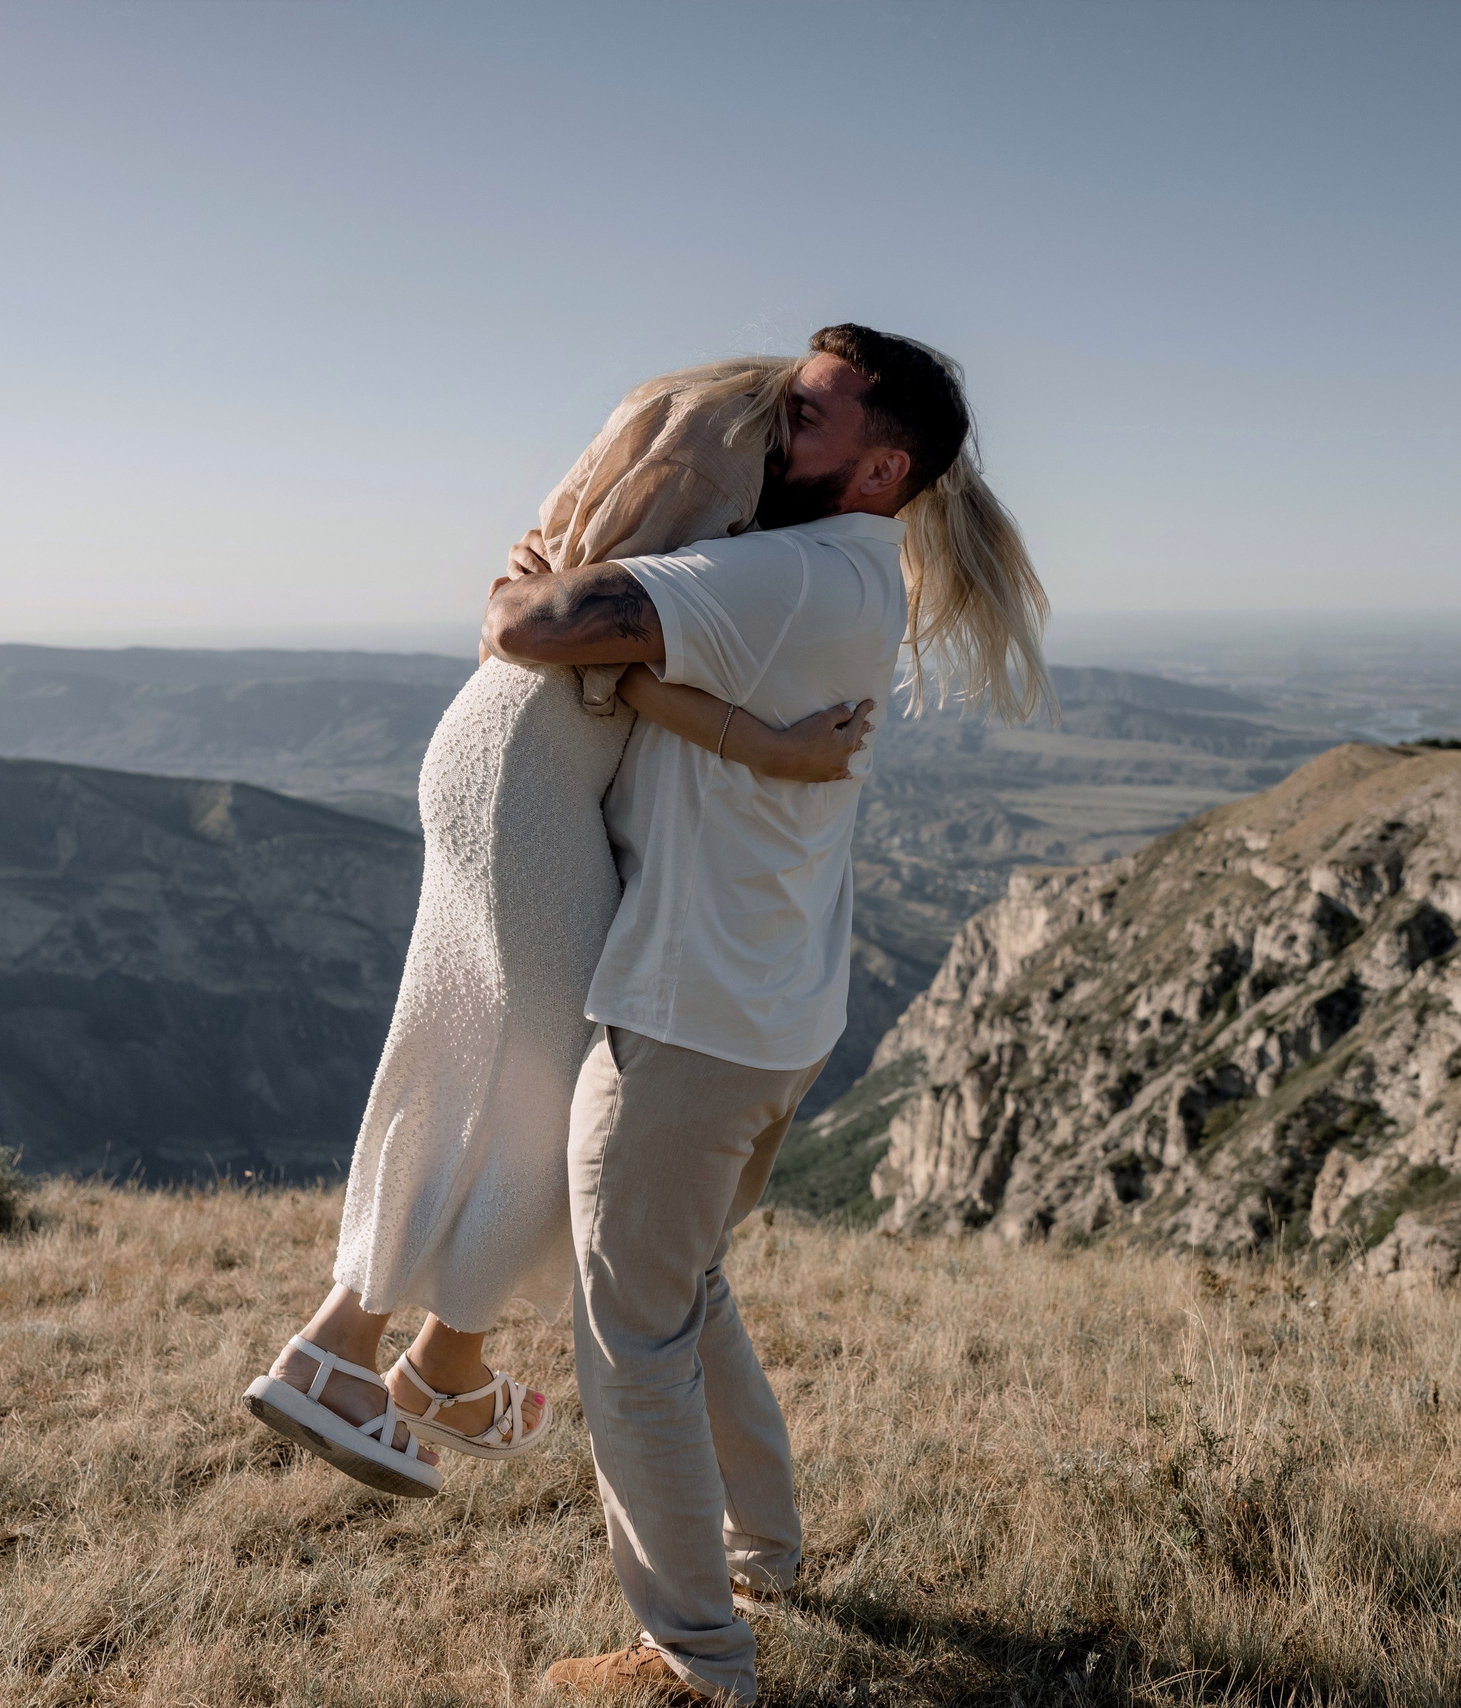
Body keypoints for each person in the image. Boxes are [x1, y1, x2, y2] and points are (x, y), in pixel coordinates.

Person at [487, 325, 1050, 1705]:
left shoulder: (783, 572)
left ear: (879, 467)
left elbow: (527, 630)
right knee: (686, 1290)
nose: (760, 431)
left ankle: (696, 1666)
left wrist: (539, 566)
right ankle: (764, 1556)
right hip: (768, 1014)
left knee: (632, 1342)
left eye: (797, 416)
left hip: (689, 1020)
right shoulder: (847, 573)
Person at [242, 356, 876, 1495]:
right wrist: (772, 748)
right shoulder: (707, 500)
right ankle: (359, 1357)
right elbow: (598, 664)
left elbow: (549, 634)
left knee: (463, 1062)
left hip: (496, 759)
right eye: (787, 424)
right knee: (553, 1086)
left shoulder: (623, 513)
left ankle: (417, 1356)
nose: (783, 446)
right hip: (530, 776)